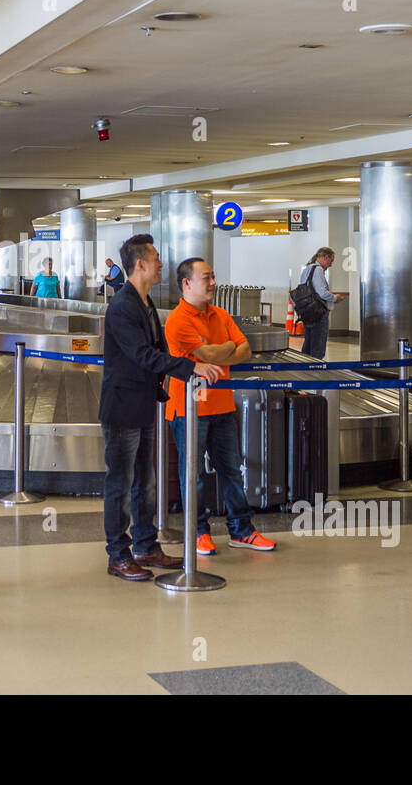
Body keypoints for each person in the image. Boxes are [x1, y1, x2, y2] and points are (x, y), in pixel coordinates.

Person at [100, 234, 222, 582]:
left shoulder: (145, 302)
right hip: (122, 409)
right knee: (120, 484)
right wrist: (188, 367)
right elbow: (143, 354)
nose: (160, 263)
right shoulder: (123, 306)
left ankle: (145, 545)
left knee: (146, 483)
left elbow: (155, 349)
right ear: (140, 264)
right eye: (155, 258)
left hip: (142, 405)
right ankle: (118, 555)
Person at [165, 258, 277, 555]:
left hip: (222, 406)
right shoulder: (178, 320)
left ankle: (242, 530)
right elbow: (209, 351)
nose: (213, 282)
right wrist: (224, 348)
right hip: (188, 409)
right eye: (206, 278)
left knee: (232, 470)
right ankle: (198, 532)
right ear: (187, 283)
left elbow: (245, 350)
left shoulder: (221, 315)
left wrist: (217, 353)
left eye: (213, 277)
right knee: (194, 475)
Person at [298, 247, 344, 359]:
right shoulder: (318, 270)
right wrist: (335, 298)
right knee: (317, 348)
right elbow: (322, 292)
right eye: (331, 261)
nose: (331, 265)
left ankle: (304, 371)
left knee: (308, 345)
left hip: (307, 312)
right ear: (325, 257)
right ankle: (315, 373)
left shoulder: (307, 269)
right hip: (318, 313)